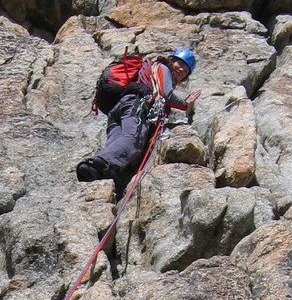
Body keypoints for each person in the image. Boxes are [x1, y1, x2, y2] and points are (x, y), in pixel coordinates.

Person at [77, 47, 201, 194]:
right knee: (133, 140)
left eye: (186, 70)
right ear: (171, 60)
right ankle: (98, 165)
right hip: (135, 105)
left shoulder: (152, 72)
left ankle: (96, 171)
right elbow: (166, 94)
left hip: (119, 108)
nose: (181, 70)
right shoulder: (162, 67)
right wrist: (186, 103)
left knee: (117, 141)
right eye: (180, 64)